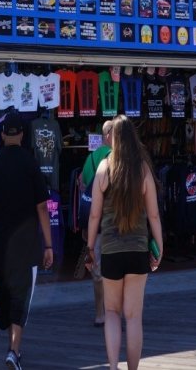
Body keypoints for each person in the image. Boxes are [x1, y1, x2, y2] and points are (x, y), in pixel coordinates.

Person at [0, 112, 53, 370]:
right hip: (27, 246)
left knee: (7, 298)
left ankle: (12, 346)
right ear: (21, 134)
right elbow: (42, 207)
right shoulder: (30, 164)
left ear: (2, 134)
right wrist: (49, 245)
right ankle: (14, 350)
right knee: (20, 302)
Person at [85, 114, 163, 370]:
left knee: (111, 314)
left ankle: (113, 366)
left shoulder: (103, 168)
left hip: (110, 250)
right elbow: (153, 214)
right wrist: (160, 247)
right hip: (138, 250)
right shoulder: (143, 169)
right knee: (134, 316)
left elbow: (94, 214)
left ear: (114, 139)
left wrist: (89, 247)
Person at [81, 119, 113, 327]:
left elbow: (83, 184)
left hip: (97, 223)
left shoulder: (91, 158)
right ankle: (114, 312)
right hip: (114, 221)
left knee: (98, 271)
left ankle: (99, 313)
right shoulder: (117, 158)